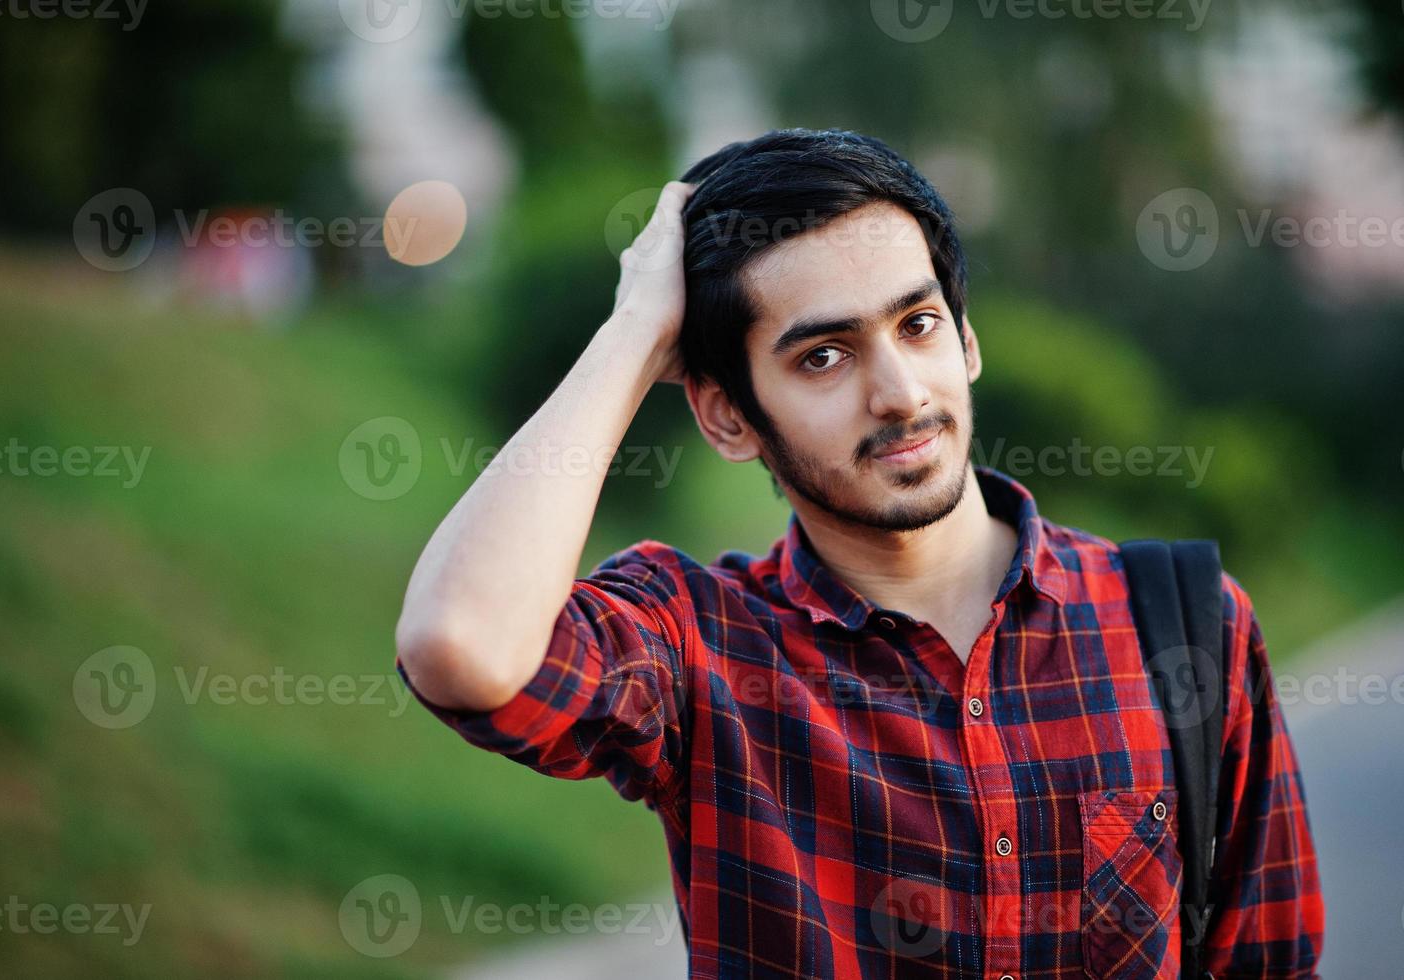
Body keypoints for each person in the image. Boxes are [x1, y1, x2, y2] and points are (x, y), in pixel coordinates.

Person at [394, 128, 1324, 978]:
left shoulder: (1181, 621)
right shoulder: (701, 647)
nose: (896, 392)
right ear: (726, 415)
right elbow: (461, 644)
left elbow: (1268, 961)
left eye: (916, 326)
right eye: (823, 358)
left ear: (965, 339)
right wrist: (634, 331)